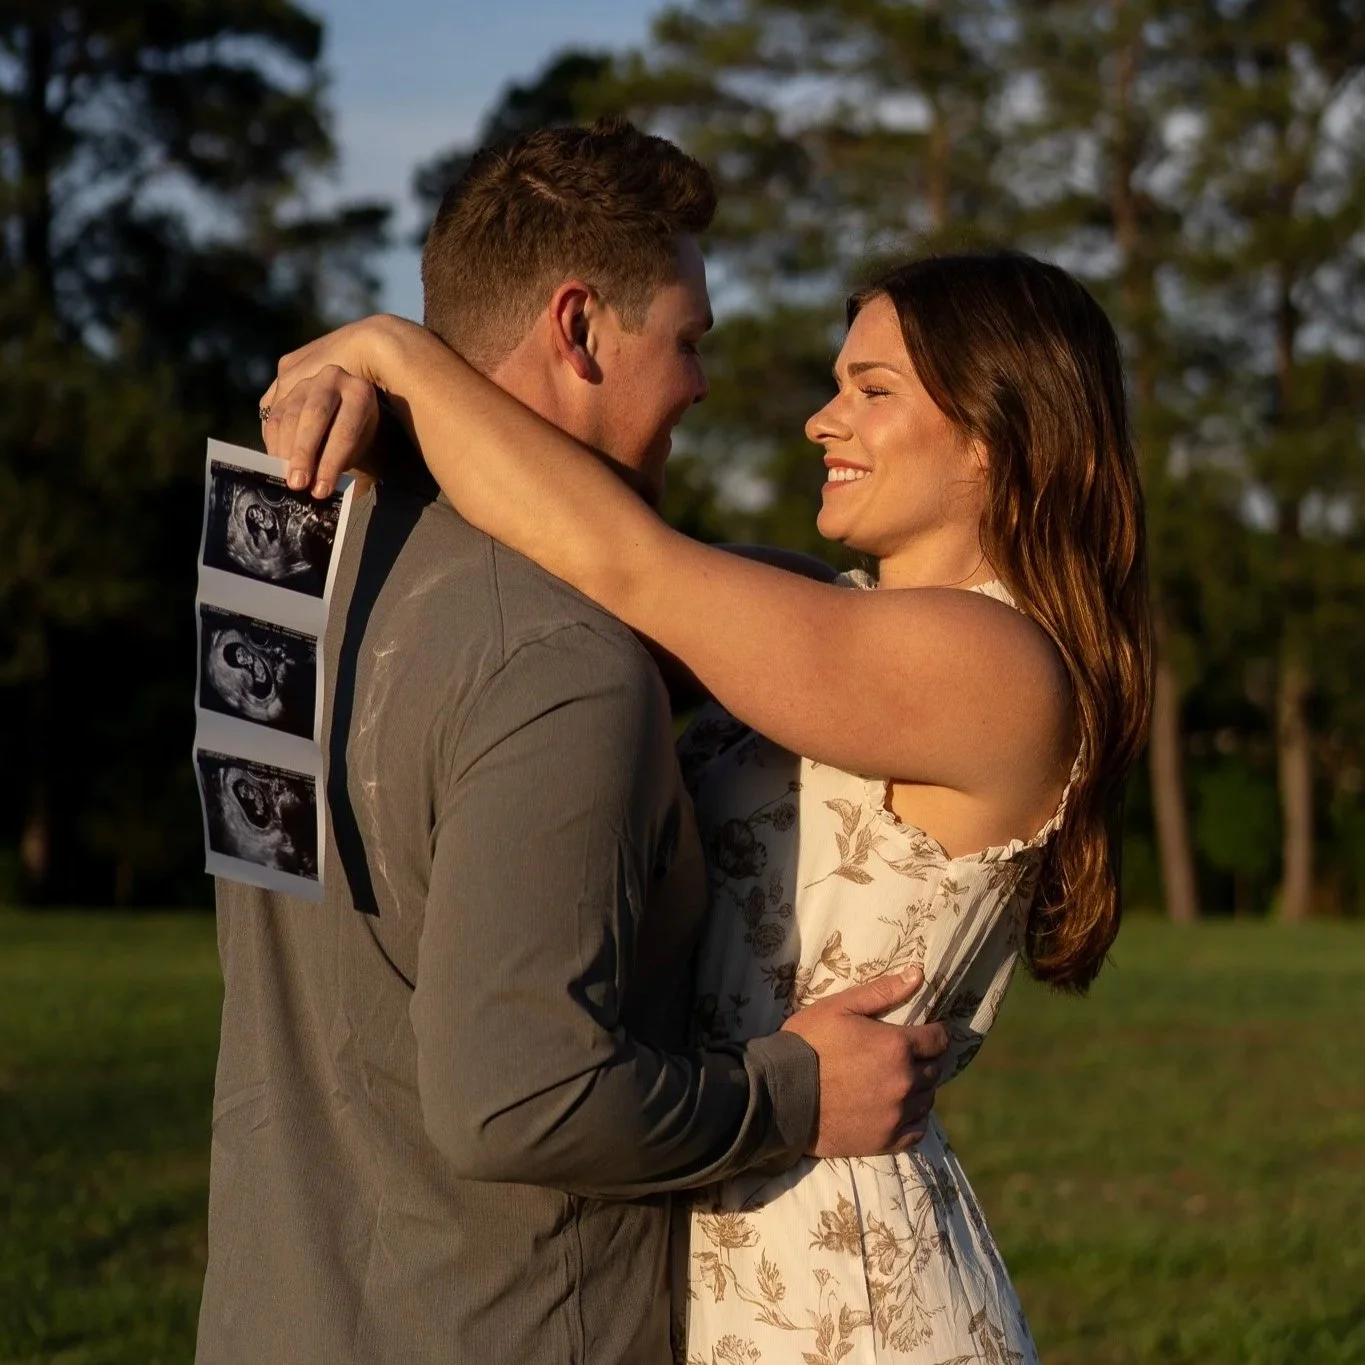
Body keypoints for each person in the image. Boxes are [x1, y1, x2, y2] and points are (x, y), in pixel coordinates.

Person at [261, 247, 1152, 1362]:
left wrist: (396, 351)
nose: (823, 422)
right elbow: (546, 565)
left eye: (873, 393)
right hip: (730, 1232)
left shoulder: (996, 663)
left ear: (998, 436)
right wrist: (352, 412)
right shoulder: (829, 615)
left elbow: (619, 561)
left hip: (847, 1292)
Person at [198, 119, 952, 1365]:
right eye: (687, 338)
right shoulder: (566, 664)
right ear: (578, 326)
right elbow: (520, 1100)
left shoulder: (282, 579)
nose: (702, 383)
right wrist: (798, 1093)